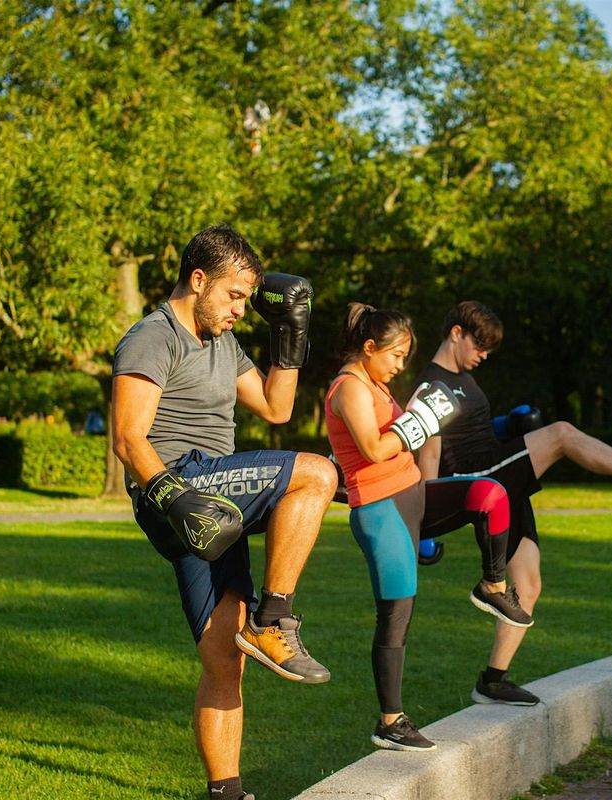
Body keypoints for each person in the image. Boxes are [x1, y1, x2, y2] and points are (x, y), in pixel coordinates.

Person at [111, 223, 337, 800]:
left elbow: (276, 407)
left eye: (247, 299)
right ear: (198, 279)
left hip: (216, 501)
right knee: (317, 473)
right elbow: (129, 438)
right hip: (181, 486)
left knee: (222, 657)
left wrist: (291, 334)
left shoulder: (222, 343)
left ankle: (226, 792)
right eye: (234, 295)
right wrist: (172, 497)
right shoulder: (152, 337)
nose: (241, 308)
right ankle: (274, 619)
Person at [413, 300, 612, 707]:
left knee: (528, 584)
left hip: (497, 473)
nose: (484, 354)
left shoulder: (464, 379)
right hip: (477, 480)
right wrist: (423, 522)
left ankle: (492, 681)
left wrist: (508, 425)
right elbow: (430, 452)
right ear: (456, 333)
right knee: (561, 434)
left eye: (489, 348)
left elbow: (471, 432)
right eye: (480, 344)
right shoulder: (429, 386)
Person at [325, 303, 532, 752]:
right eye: (396, 355)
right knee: (397, 617)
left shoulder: (375, 384)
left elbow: (406, 441)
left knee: (490, 495)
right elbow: (376, 449)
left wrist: (424, 421)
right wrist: (417, 421)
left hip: (414, 494)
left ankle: (493, 587)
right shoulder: (349, 388)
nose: (401, 365)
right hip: (382, 510)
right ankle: (390, 721)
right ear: (368, 348)